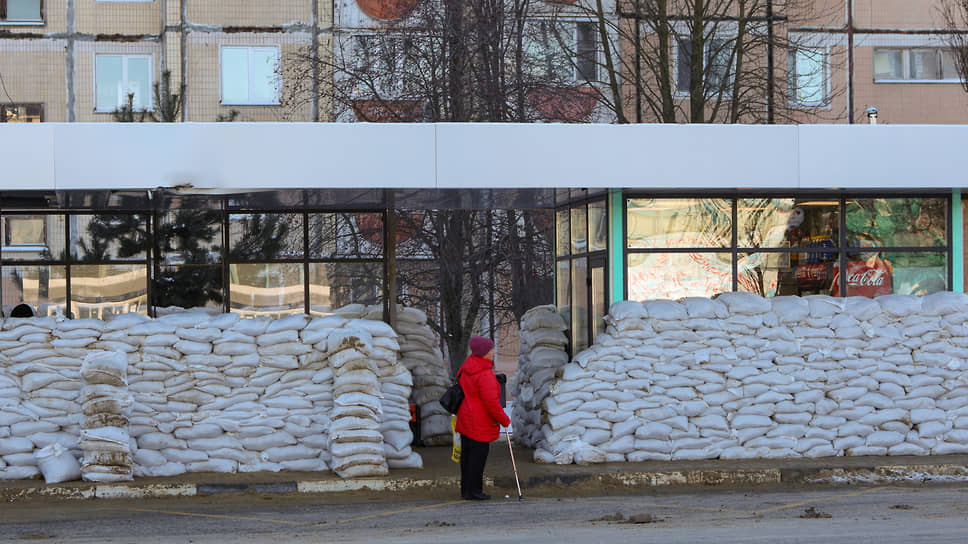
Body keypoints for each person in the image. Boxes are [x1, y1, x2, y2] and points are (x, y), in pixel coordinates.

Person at [455, 335, 511, 501]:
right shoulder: (484, 373)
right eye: (491, 349)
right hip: (479, 421)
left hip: (465, 417)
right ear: (484, 352)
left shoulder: (467, 367)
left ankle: (467, 490)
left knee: (466, 456)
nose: (494, 352)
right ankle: (475, 491)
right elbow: (491, 402)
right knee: (477, 458)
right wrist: (504, 419)